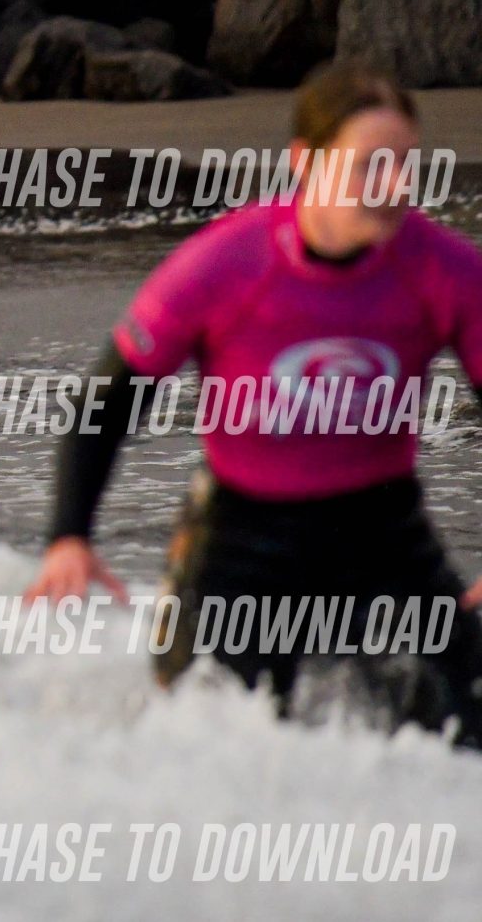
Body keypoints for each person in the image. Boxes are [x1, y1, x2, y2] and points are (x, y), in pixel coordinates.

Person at [24, 63, 482, 744]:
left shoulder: (443, 269)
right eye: (370, 166)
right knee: (210, 745)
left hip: (382, 536)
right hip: (243, 541)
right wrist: (69, 536)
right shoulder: (226, 263)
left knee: (465, 733)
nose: (397, 187)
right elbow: (109, 400)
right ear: (306, 163)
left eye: (406, 164)